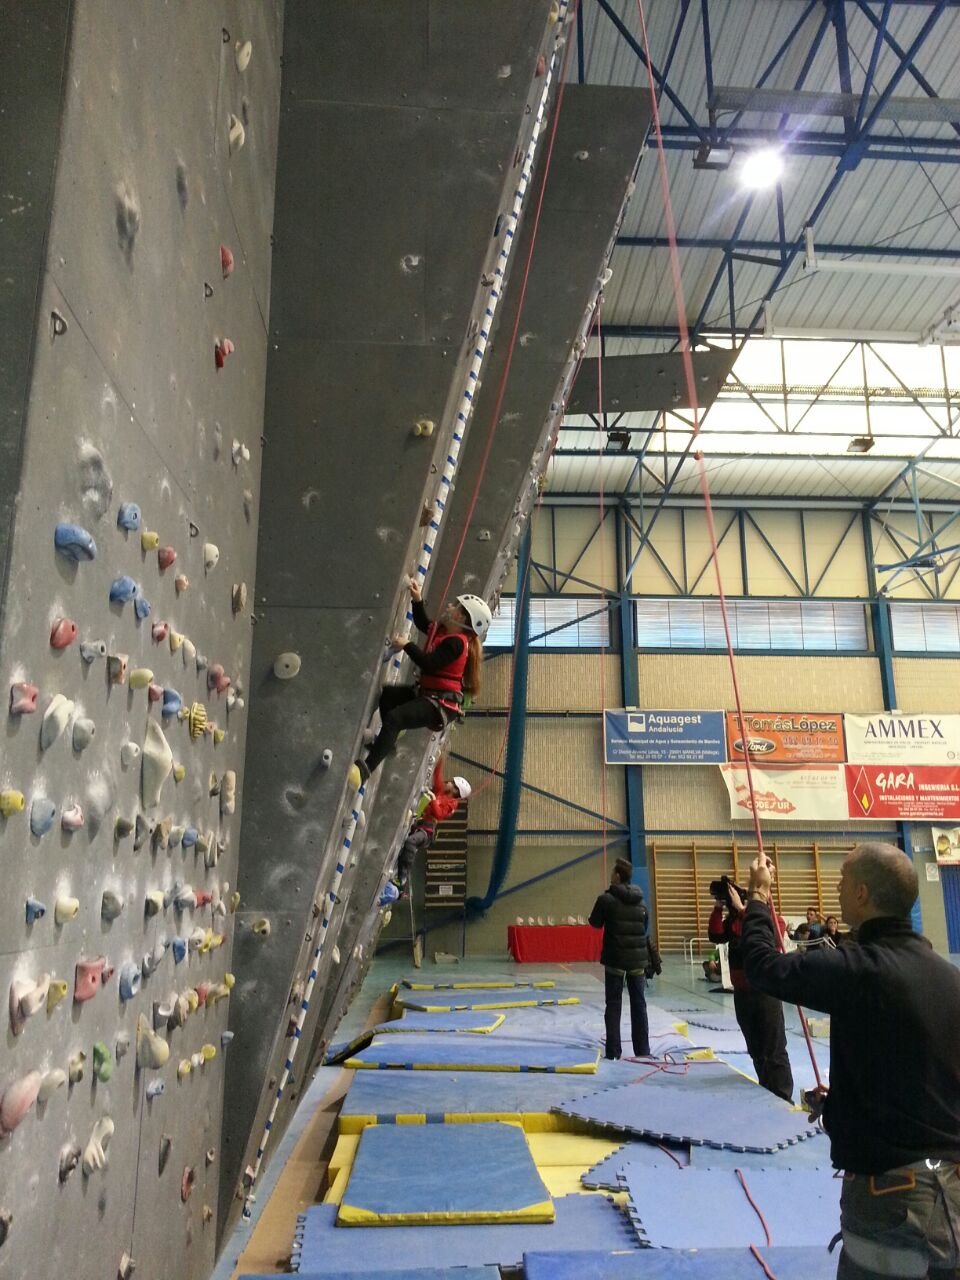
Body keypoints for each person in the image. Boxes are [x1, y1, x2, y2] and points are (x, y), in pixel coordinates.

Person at [742, 842, 960, 1279]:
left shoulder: (860, 969)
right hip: (950, 1196)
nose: (837, 889)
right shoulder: (947, 977)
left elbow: (764, 967)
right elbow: (921, 1072)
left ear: (862, 893)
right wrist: (847, 1104)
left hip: (896, 1201)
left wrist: (759, 897)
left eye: (842, 881)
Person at [349, 577, 491, 786]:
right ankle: (387, 742)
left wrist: (407, 645)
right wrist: (417, 599)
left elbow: (428, 663)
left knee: (395, 719)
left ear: (460, 616)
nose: (449, 607)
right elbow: (424, 623)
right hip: (431, 694)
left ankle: (364, 771)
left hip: (439, 705)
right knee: (389, 696)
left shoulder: (457, 644)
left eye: (455, 606)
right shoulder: (446, 633)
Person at [708, 877, 794, 1102]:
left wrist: (742, 909)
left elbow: (773, 937)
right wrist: (718, 907)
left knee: (774, 1047)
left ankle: (783, 1096)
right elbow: (715, 935)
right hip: (742, 994)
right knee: (756, 1048)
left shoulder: (772, 919)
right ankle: (767, 1090)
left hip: (766, 992)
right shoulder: (734, 922)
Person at [589, 858, 659, 1059]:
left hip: (616, 959)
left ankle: (613, 1052)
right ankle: (643, 1051)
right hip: (637, 960)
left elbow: (595, 923)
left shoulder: (606, 899)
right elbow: (644, 926)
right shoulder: (641, 900)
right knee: (639, 1004)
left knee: (613, 1004)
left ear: (618, 876)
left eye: (613, 872)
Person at [392, 759, 471, 894]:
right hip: (418, 823)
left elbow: (439, 814)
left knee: (411, 842)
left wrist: (433, 800)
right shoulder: (441, 791)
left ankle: (403, 877)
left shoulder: (451, 804)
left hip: (427, 832)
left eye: (451, 783)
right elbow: (437, 776)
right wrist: (441, 759)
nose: (447, 782)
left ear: (455, 790)